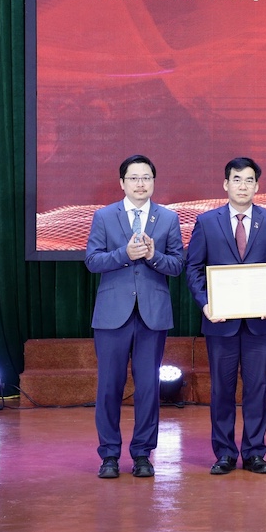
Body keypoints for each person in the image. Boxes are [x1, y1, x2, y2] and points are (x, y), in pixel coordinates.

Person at [84, 155, 185, 479]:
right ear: (122, 183)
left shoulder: (167, 218)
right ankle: (109, 455)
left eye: (146, 178)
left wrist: (154, 256)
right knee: (109, 387)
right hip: (112, 315)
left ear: (153, 182)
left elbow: (177, 265)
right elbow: (92, 261)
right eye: (134, 178)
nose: (140, 184)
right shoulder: (104, 216)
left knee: (148, 388)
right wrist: (124, 255)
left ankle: (143, 453)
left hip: (152, 315)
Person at [186, 157, 266, 475]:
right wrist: (206, 304)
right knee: (222, 391)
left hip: (260, 324)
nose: (243, 186)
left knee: (257, 390)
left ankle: (254, 453)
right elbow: (194, 268)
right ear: (225, 184)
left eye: (249, 180)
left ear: (257, 186)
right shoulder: (206, 222)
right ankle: (225, 453)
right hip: (220, 324)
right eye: (237, 180)